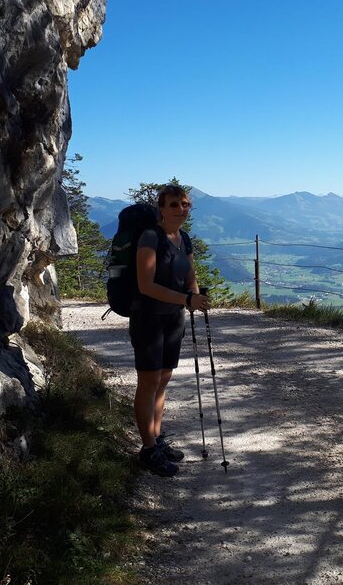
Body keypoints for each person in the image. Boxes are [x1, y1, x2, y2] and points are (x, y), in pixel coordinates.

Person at [130, 184, 210, 476]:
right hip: (148, 318)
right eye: (174, 204)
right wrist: (186, 300)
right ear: (161, 208)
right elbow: (145, 285)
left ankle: (156, 438)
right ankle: (148, 449)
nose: (181, 209)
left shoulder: (183, 238)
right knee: (149, 382)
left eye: (185, 204)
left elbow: (190, 275)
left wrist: (195, 296)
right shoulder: (151, 237)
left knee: (163, 380)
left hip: (174, 318)